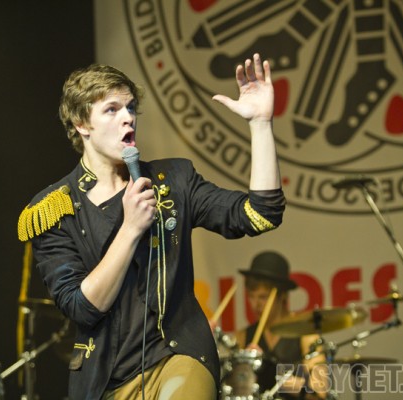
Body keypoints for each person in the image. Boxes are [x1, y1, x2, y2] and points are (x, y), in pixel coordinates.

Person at [17, 53, 285, 400]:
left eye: (130, 108)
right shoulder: (53, 209)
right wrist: (130, 229)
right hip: (104, 380)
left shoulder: (173, 179)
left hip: (179, 356)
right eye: (111, 110)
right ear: (82, 124)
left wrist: (261, 125)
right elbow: (82, 308)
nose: (127, 118)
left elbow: (261, 213)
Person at [233, 251, 326, 399]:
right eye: (251, 296)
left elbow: (320, 392)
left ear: (282, 295)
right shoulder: (243, 336)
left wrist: (270, 372)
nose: (256, 304)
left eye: (263, 297)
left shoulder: (306, 334)